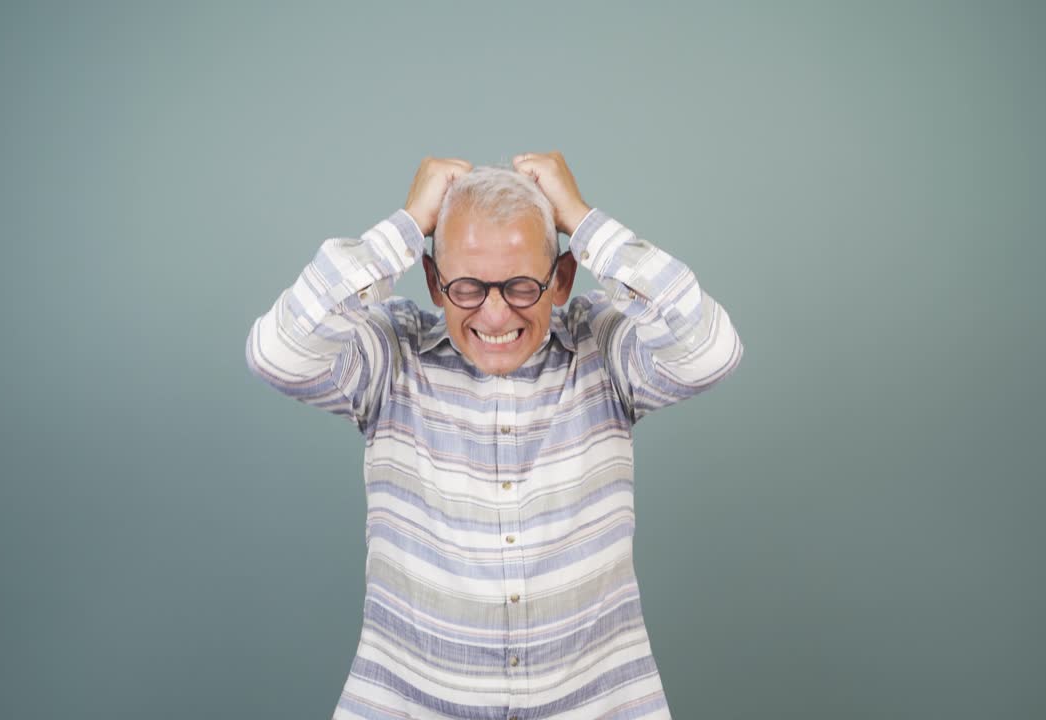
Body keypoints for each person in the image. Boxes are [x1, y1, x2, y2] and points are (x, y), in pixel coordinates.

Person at [245, 152, 744, 720]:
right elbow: (277, 353)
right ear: (434, 282)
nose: (497, 315)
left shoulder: (604, 349)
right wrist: (406, 226)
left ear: (562, 280)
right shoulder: (390, 352)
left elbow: (711, 351)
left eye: (522, 286)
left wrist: (582, 220)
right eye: (467, 288)